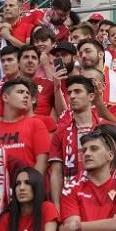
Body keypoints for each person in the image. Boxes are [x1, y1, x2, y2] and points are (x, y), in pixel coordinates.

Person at [48, 75, 103, 203]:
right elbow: (56, 174)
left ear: (91, 97)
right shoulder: (60, 132)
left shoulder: (105, 128)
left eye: (77, 91)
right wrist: (57, 208)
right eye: (70, 92)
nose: (72, 96)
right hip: (71, 200)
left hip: (101, 199)